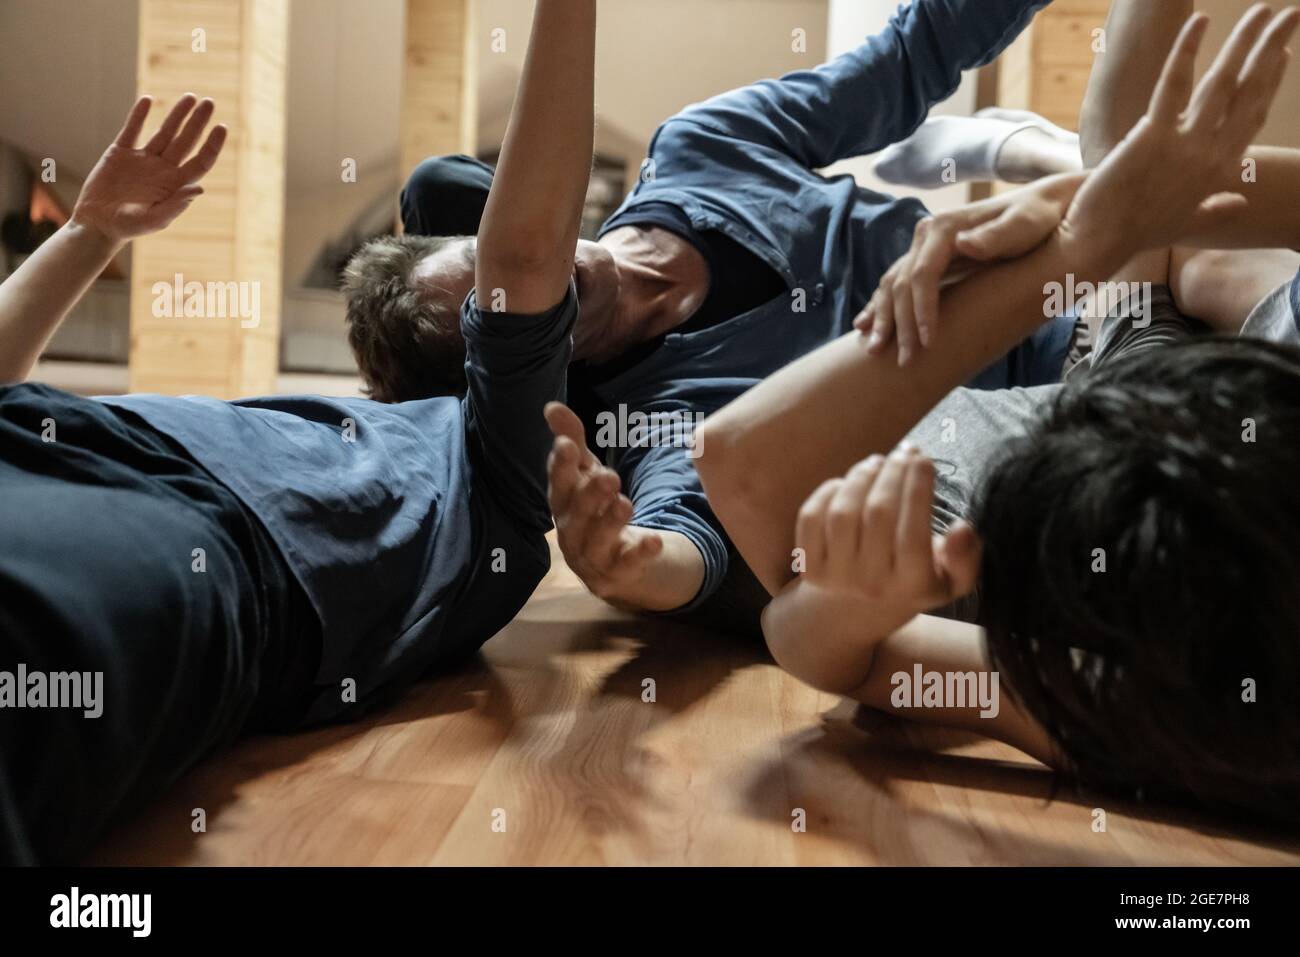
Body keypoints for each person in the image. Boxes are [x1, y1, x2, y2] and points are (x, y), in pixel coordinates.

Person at [0, 0, 597, 864]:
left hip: (186, 523)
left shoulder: (495, 467)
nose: (499, 284)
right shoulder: (319, 416)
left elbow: (529, 252)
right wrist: (90, 234)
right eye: (475, 282)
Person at [694, 3, 1300, 824]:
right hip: (1194, 424)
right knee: (1181, 227)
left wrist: (1076, 242)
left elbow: (744, 462)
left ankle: (1069, 179)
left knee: (1150, 204)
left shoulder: (1206, 722)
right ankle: (1054, 167)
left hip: (1133, 473)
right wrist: (1077, 206)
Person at [344, 0, 1079, 625]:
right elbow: (687, 540)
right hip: (1058, 405)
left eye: (492, 252)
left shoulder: (699, 147)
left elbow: (913, 54)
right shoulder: (652, 421)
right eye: (507, 301)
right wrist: (626, 567)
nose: (535, 266)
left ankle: (1025, 148)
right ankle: (1029, 150)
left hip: (1082, 273)